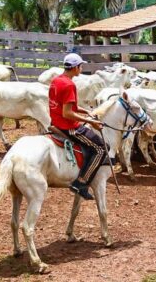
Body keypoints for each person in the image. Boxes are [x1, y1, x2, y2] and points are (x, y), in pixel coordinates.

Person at [49, 53, 106, 200]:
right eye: (81, 66)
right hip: (68, 127)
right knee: (100, 149)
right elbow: (67, 113)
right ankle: (81, 183)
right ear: (75, 68)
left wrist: (85, 111)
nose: (81, 69)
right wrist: (91, 122)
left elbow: (65, 106)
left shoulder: (56, 80)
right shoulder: (69, 85)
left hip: (55, 122)